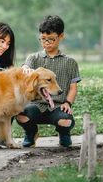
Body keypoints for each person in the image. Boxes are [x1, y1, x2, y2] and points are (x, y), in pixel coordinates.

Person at [16, 15, 81, 148]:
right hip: (36, 105)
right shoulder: (34, 58)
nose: (47, 43)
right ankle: (31, 132)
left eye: (51, 39)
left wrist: (68, 103)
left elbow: (73, 88)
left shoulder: (70, 62)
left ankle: (63, 134)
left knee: (65, 121)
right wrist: (26, 68)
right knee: (20, 115)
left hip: (58, 106)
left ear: (61, 36)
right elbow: (26, 66)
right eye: (43, 39)